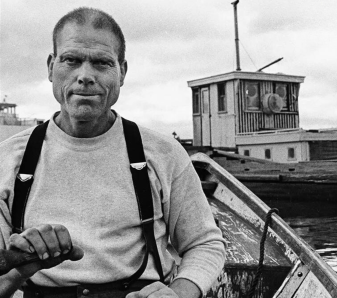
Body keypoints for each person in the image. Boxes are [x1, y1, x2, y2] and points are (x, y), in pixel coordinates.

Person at [0, 7, 226, 298]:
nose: (85, 76)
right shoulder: (7, 159)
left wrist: (181, 292)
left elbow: (204, 243)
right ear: (50, 67)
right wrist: (21, 269)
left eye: (101, 63)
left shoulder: (163, 153)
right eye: (71, 60)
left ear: (122, 72)